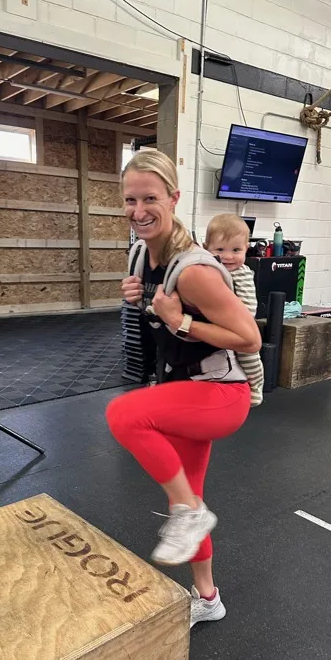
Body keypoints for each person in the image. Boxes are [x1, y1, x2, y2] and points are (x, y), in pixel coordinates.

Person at [106, 150, 261, 628]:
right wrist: (137, 298)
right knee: (190, 495)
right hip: (184, 388)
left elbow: (250, 338)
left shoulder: (193, 270)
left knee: (124, 415)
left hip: (220, 394)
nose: (138, 211)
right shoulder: (139, 251)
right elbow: (156, 316)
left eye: (150, 198)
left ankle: (189, 512)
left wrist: (181, 318)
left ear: (173, 198)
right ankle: (209, 597)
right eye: (130, 200)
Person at [204, 213, 264, 407]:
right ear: (207, 249)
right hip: (223, 326)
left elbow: (248, 308)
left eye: (236, 250)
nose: (228, 256)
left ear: (246, 248)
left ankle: (255, 387)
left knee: (250, 357)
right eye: (220, 249)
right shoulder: (210, 271)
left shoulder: (241, 274)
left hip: (240, 326)